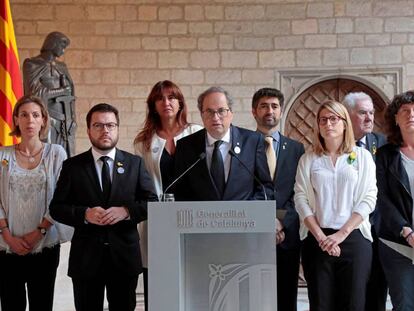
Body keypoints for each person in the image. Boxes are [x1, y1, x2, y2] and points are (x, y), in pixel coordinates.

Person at [50, 103, 158, 311]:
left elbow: (152, 202)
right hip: (86, 261)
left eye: (110, 125)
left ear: (117, 128)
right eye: (98, 125)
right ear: (89, 130)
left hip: (124, 259)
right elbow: (57, 207)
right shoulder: (73, 167)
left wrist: (126, 212)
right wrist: (84, 214)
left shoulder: (134, 164)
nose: (105, 130)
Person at [294, 100, 377, 311]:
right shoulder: (309, 159)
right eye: (323, 120)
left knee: (353, 304)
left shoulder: (362, 156)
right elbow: (301, 198)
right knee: (321, 304)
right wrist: (322, 237)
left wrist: (340, 235)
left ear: (345, 123)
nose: (328, 124)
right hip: (317, 240)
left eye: (334, 118)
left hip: (354, 238)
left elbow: (369, 198)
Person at [133, 80, 202, 309]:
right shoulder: (143, 142)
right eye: (160, 98)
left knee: (191, 284)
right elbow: (142, 184)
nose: (166, 103)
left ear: (180, 103)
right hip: (158, 220)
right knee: (158, 287)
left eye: (172, 97)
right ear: (153, 105)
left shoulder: (198, 134)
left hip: (192, 219)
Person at [0, 95, 73, 311]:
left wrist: (39, 231)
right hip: (7, 247)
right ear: (16, 120)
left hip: (44, 246)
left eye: (35, 115)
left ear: (43, 120)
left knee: (42, 305)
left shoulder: (56, 153)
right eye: (24, 115)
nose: (29, 120)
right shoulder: (2, 155)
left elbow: (63, 196)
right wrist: (6, 235)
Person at [251, 88, 304, 311]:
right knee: (254, 298)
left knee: (286, 298)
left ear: (281, 111)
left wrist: (281, 222)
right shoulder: (244, 145)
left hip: (287, 235)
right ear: (254, 111)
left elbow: (300, 192)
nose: (269, 111)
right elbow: (243, 188)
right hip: (253, 233)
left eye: (274, 106)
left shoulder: (296, 148)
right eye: (263, 106)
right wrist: (265, 222)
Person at [174, 86, 273, 201]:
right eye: (209, 112)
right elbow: (180, 191)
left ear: (231, 113)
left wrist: (249, 209)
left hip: (243, 216)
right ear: (202, 115)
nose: (215, 118)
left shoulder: (252, 141)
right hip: (201, 217)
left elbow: (265, 187)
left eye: (221, 111)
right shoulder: (185, 146)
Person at [343, 92, 387, 311]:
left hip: (377, 230)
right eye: (362, 113)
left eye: (371, 112)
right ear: (347, 116)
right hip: (346, 230)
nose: (369, 118)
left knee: (376, 292)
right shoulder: (336, 146)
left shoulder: (382, 144)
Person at [376, 91, 414, 311]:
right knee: (404, 304)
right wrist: (406, 231)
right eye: (405, 111)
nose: (411, 115)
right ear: (395, 119)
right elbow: (382, 198)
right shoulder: (384, 155)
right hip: (397, 243)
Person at [23, 31, 76, 157]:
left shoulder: (62, 66)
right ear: (52, 43)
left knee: (66, 160)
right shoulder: (32, 64)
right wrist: (61, 91)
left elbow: (71, 94)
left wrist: (72, 118)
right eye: (61, 46)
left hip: (66, 121)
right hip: (46, 119)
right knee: (45, 158)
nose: (63, 51)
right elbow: (34, 92)